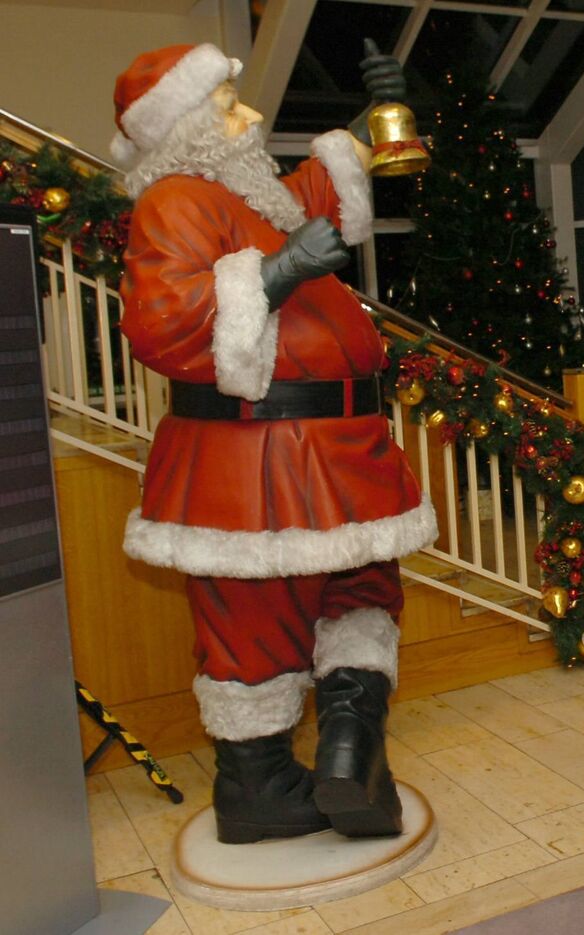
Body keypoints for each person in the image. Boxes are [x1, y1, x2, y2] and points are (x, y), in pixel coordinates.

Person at [112, 41, 437, 844]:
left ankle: (346, 746)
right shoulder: (175, 201)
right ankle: (257, 786)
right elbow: (159, 319)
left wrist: (370, 124)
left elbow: (308, 196)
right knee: (256, 617)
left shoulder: (235, 195)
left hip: (327, 445)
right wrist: (280, 270)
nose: (250, 114)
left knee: (358, 587)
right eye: (228, 104)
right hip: (253, 457)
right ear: (185, 128)